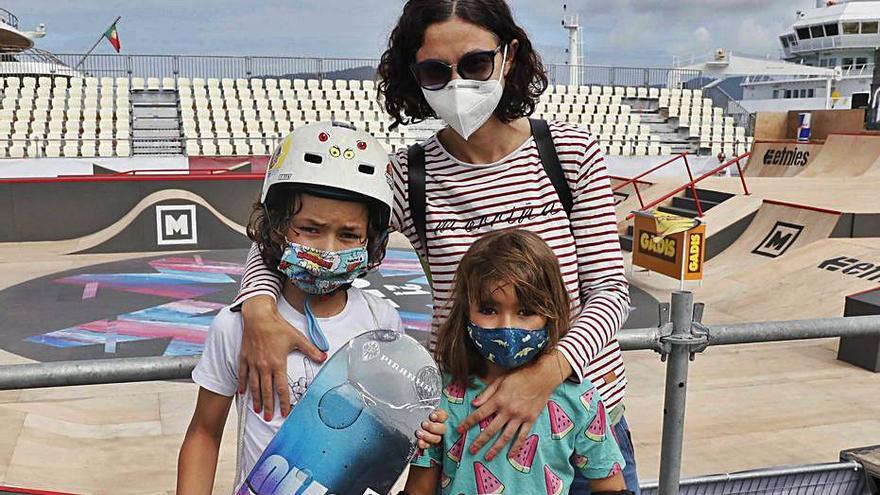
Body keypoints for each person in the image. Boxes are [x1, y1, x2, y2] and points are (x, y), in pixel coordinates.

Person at [234, 1, 640, 492]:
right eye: (434, 71)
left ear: (508, 56)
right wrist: (258, 309)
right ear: (414, 77)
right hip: (462, 426)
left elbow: (610, 291)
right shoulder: (410, 176)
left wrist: (544, 376)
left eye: (474, 64)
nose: (457, 84)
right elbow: (287, 233)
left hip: (575, 424)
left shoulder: (569, 154)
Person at [176, 123, 446, 494]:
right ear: (275, 228)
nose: (329, 250)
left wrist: (418, 433)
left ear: (374, 240)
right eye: (310, 229)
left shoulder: (381, 322)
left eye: (349, 235)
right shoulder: (237, 326)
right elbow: (204, 432)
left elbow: (384, 429)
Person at [403, 230, 630, 495]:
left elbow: (611, 486)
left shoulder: (582, 401)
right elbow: (419, 489)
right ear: (465, 312)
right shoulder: (438, 398)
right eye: (489, 310)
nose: (507, 326)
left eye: (526, 312)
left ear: (552, 313)